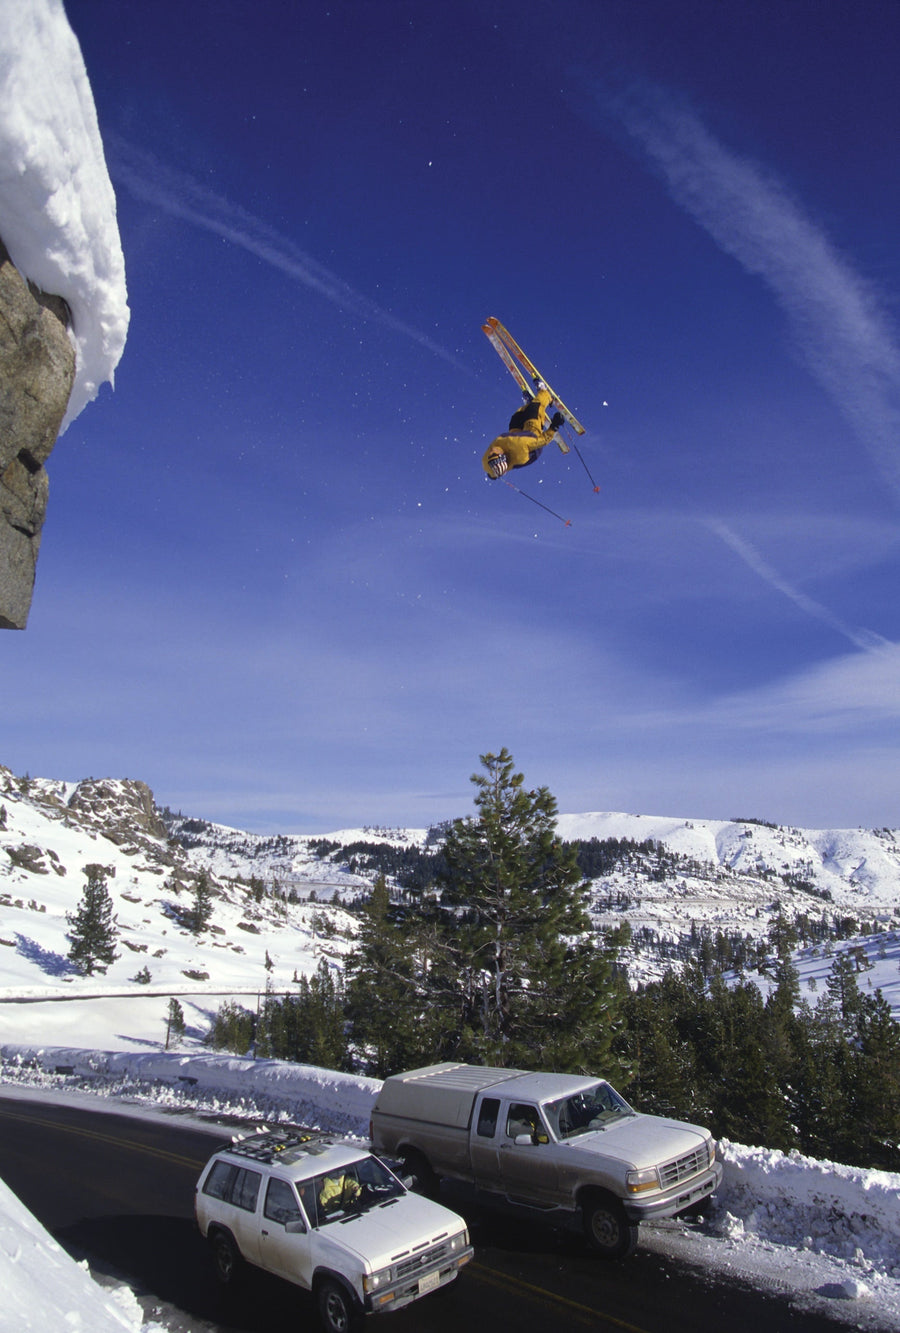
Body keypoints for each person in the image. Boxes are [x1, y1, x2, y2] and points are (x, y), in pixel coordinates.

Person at [482, 384, 565, 478]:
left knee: (517, 416)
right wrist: (554, 426)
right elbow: (543, 440)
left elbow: (492, 474)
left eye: (490, 456)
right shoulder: (521, 447)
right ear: (502, 455)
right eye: (494, 453)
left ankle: (529, 405)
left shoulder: (486, 463)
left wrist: (493, 475)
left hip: (514, 436)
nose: (491, 451)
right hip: (533, 441)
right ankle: (546, 394)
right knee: (535, 408)